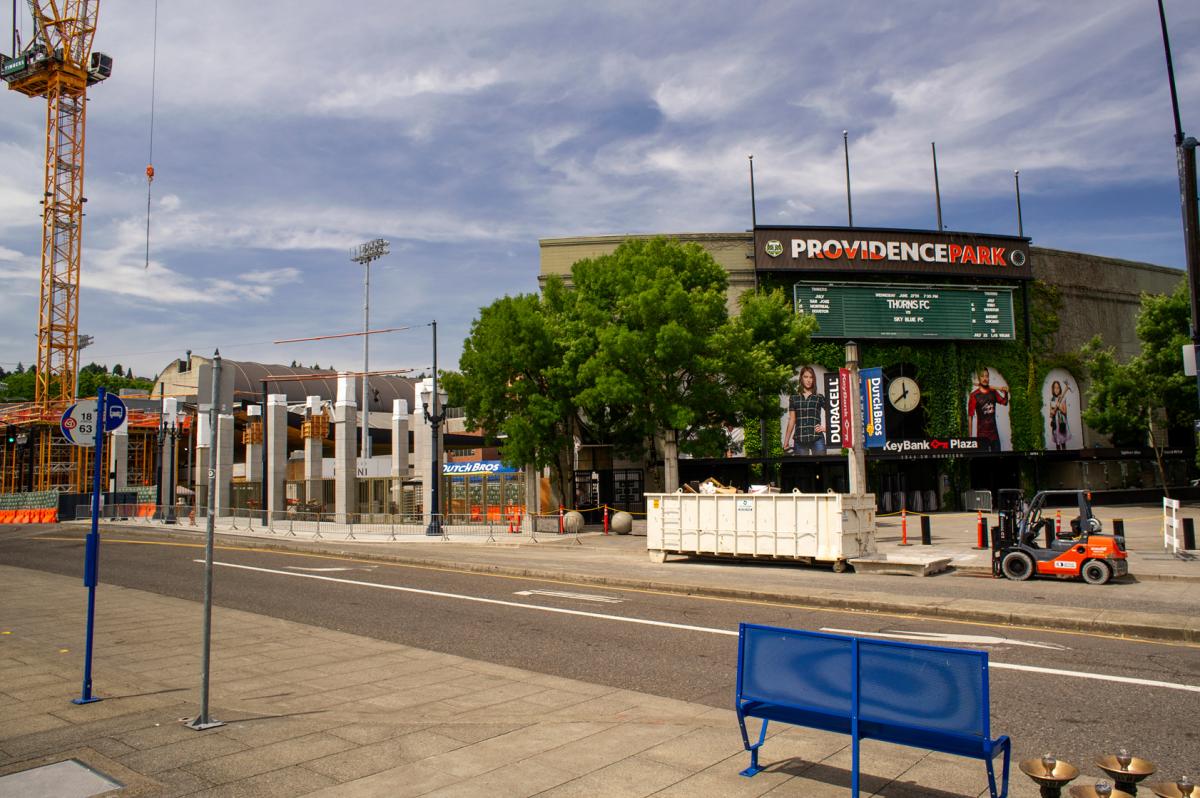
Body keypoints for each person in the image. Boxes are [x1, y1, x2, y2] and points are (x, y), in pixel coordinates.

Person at [784, 366, 827, 456]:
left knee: (821, 466)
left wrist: (827, 429)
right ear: (801, 378)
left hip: (817, 438)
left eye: (811, 377)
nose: (808, 380)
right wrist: (786, 442)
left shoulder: (819, 397)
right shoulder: (794, 398)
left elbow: (833, 413)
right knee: (802, 468)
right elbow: (792, 420)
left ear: (814, 379)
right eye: (806, 377)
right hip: (800, 440)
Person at [967, 368, 1009, 452]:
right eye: (982, 376)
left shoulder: (993, 392)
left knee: (998, 461)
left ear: (988, 378)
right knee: (983, 462)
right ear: (979, 378)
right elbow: (970, 417)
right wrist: (970, 438)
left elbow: (1004, 402)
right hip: (982, 436)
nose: (985, 378)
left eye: (986, 376)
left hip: (994, 435)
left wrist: (1006, 393)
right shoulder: (974, 396)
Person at [1048, 380, 1071, 450]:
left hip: (1061, 423)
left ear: (1060, 389)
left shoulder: (1062, 398)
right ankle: (1058, 457)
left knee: (1063, 442)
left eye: (1058, 388)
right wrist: (1052, 412)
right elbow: (1051, 414)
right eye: (1055, 388)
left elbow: (1065, 412)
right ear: (1053, 389)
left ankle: (1064, 457)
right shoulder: (1052, 399)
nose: (1056, 389)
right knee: (1057, 443)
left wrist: (1059, 407)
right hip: (1055, 424)